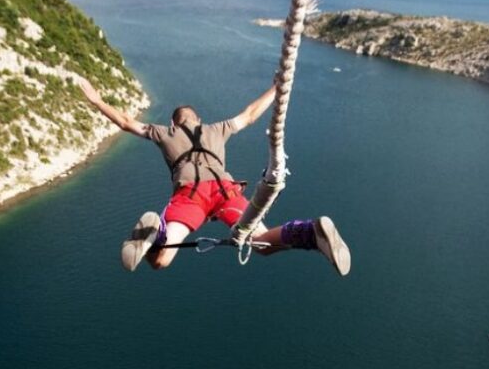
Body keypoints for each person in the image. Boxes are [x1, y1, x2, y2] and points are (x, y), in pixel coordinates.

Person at [79, 78, 350, 276]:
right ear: (199, 120)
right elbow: (250, 115)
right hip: (225, 192)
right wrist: (278, 87)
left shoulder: (164, 132)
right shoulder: (217, 129)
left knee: (161, 261)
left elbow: (126, 122)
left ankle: (156, 233)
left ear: (175, 123)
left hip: (189, 195)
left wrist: (96, 100)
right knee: (263, 242)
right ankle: (310, 231)